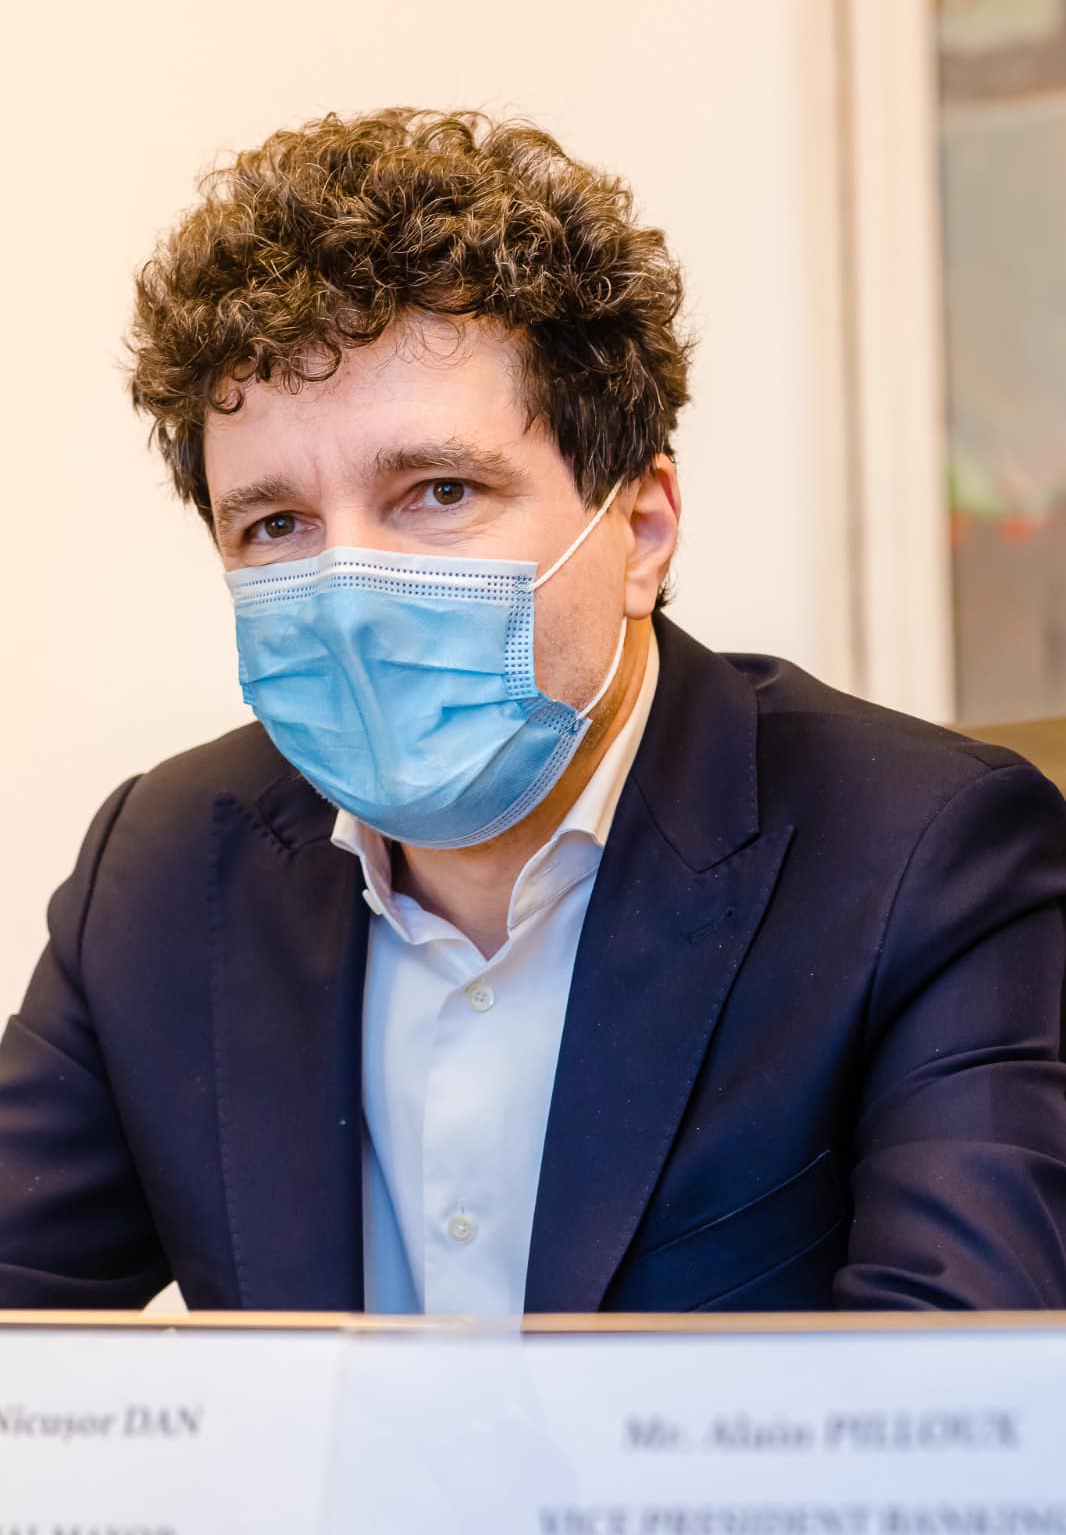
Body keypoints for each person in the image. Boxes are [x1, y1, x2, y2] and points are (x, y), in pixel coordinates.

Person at [3, 108, 1066, 1314]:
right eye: (277, 524)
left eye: (438, 490)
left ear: (641, 529)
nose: (351, 594)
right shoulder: (159, 872)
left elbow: (955, 1394)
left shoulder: (924, 858)